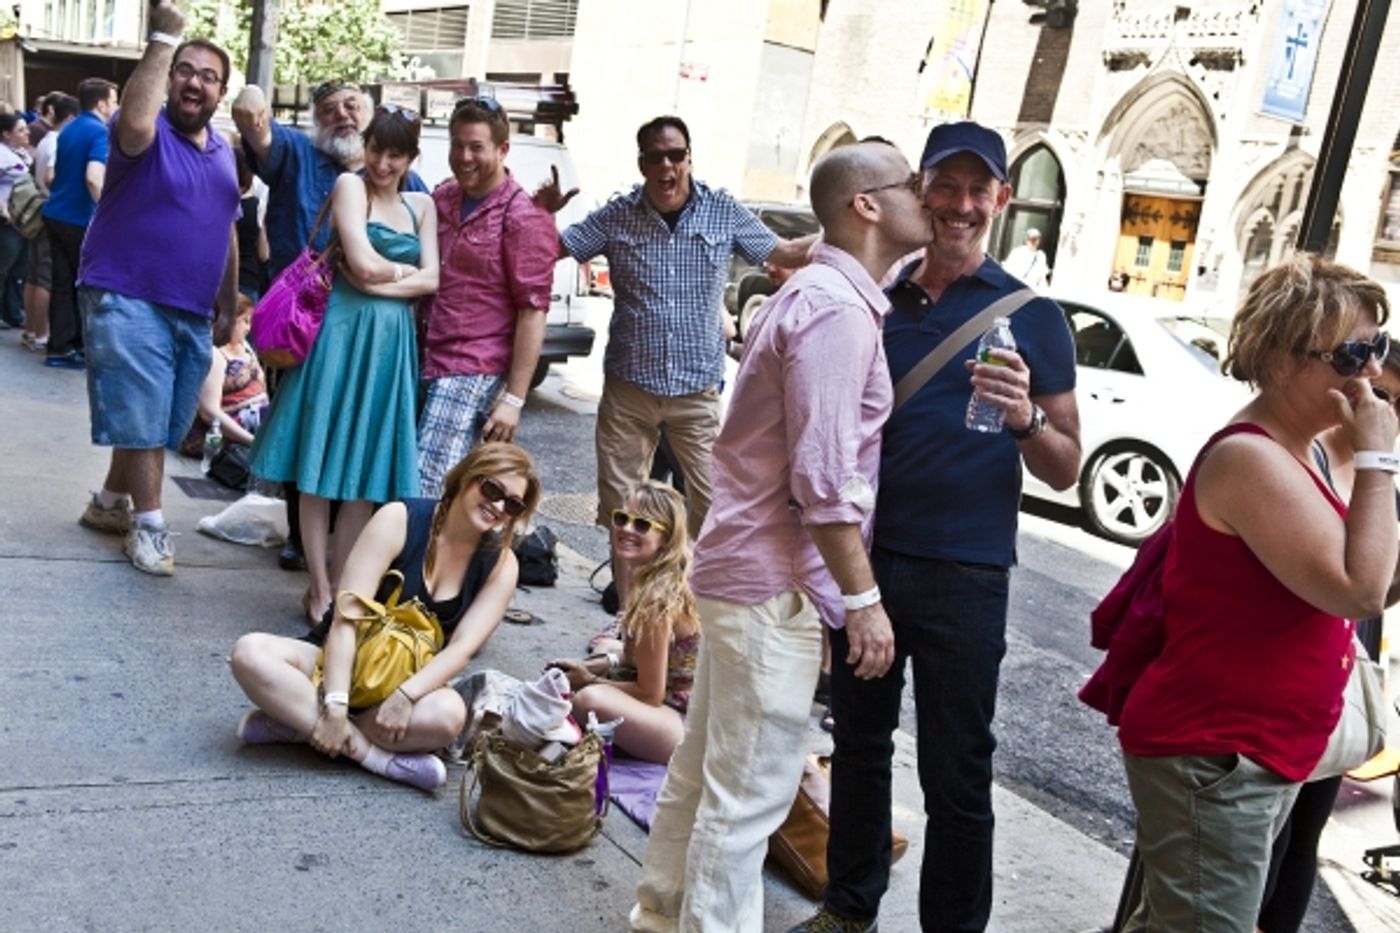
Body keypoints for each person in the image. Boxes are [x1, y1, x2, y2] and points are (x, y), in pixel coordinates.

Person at [630, 140, 934, 933]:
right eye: (913, 183)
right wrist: (861, 602)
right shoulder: (836, 312)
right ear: (867, 205)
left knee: (703, 774)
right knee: (748, 795)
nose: (929, 196)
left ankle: (662, 913)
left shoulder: (830, 293)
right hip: (772, 582)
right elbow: (825, 483)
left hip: (749, 571)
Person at [794, 121, 1082, 933]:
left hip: (968, 573)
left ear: (1000, 199)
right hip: (872, 561)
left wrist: (1026, 417)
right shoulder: (874, 296)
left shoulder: (1034, 316)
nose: (959, 205)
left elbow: (1064, 465)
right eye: (945, 187)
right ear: (919, 190)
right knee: (859, 746)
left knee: (959, 772)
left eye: (976, 190)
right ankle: (848, 908)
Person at [1113, 253, 1396, 931]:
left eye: (1377, 347)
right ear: (1280, 359)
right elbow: (1360, 589)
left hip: (1259, 750)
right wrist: (1381, 456)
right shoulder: (1251, 456)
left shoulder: (1314, 447)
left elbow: (1376, 573)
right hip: (1217, 754)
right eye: (1353, 352)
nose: (1371, 371)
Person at [553, 115, 815, 603]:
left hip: (696, 392)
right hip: (629, 388)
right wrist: (534, 212)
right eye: (657, 157)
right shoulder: (617, 216)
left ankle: (686, 602)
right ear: (643, 164)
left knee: (712, 501)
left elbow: (781, 251)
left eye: (677, 155)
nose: (668, 165)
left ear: (690, 157)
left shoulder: (723, 211)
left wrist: (843, 235)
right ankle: (629, 614)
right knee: (621, 503)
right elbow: (553, 248)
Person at [229, 442, 541, 792]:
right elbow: (346, 619)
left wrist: (405, 697)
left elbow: (462, 649)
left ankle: (296, 725)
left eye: (512, 504)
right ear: (466, 477)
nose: (497, 506)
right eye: (492, 488)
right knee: (249, 652)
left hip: (406, 681)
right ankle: (373, 757)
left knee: (449, 715)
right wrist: (334, 704)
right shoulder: (399, 517)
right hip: (333, 659)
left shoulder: (501, 563)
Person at [249, 104, 439, 626]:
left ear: (410, 158)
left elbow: (433, 280)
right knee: (318, 464)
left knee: (363, 473)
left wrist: (382, 273)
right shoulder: (350, 187)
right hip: (340, 334)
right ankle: (318, 585)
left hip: (389, 345)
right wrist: (398, 274)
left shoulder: (423, 204)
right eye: (377, 150)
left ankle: (341, 590)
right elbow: (358, 262)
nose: (382, 163)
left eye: (394, 155)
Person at [73, 11, 241, 577]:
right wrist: (163, 39)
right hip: (126, 292)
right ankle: (148, 527)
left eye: (208, 76)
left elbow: (227, 226)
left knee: (163, 422)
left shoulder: (222, 152)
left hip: (191, 309)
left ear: (221, 90)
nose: (194, 82)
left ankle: (109, 504)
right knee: (145, 414)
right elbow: (138, 118)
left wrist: (229, 301)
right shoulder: (142, 133)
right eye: (184, 71)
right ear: (169, 79)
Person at [1254, 344, 1400, 933]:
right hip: (1278, 674)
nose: (1382, 409)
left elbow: (1376, 595)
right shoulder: (1301, 454)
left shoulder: (1379, 476)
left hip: (1340, 664)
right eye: (1382, 394)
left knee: (1304, 831)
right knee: (1267, 829)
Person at [416, 96, 557, 496]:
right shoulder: (442, 199)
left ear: (502, 149)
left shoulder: (523, 215)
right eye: (457, 145)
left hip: (471, 368)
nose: (464, 156)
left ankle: (419, 560)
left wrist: (513, 398)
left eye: (476, 146)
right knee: (410, 478)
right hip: (422, 358)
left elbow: (533, 312)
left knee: (428, 486)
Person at [549, 480, 699, 764]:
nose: (626, 529)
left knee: (588, 701)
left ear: (665, 537)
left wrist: (589, 679)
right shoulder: (658, 572)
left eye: (641, 525)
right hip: (684, 692)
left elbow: (650, 694)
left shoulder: (656, 598)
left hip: (688, 723)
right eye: (621, 518)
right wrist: (593, 666)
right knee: (606, 646)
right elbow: (636, 656)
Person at [42, 77, 118, 370]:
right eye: (113, 101)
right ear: (101, 104)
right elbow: (92, 176)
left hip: (56, 212)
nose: (116, 106)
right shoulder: (100, 132)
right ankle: (77, 346)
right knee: (84, 286)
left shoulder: (70, 128)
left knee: (61, 283)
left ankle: (58, 347)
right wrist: (106, 212)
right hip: (79, 217)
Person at [19, 92, 78, 354]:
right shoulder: (59, 141)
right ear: (71, 117)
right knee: (44, 278)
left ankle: (31, 329)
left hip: (42, 210)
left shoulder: (45, 140)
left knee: (34, 275)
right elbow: (49, 175)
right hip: (51, 211)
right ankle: (42, 333)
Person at [187, 294, 268, 450]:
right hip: (229, 430)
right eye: (244, 321)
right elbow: (209, 412)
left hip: (258, 418)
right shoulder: (216, 354)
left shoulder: (244, 345)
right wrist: (254, 441)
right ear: (228, 320)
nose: (248, 328)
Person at [0, 112, 32, 330]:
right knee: (3, 267)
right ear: (6, 134)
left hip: (23, 219)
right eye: (20, 130)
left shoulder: (19, 153)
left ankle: (12, 312)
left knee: (19, 268)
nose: (26, 133)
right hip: (7, 220)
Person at [232, 140, 268, 301]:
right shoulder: (258, 205)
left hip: (216, 279)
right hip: (248, 279)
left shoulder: (214, 203)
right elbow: (263, 253)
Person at [1002, 227, 1049, 292]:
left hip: (1031, 292)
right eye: (1032, 239)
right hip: (1016, 290)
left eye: (1036, 239)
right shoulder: (1017, 252)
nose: (1034, 242)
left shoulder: (1041, 256)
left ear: (1039, 240)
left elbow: (1042, 279)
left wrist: (1045, 292)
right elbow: (1007, 273)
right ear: (1027, 240)